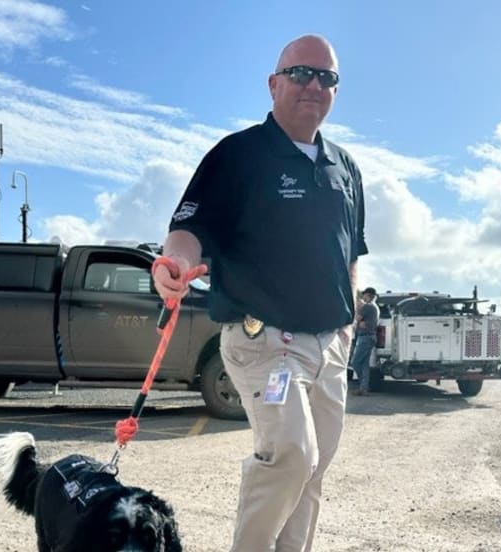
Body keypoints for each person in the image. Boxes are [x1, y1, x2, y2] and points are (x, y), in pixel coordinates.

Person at [153, 34, 368, 552]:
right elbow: (188, 229)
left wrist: (349, 321)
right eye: (301, 73)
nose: (314, 84)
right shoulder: (237, 155)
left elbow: (352, 252)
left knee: (312, 472)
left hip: (329, 347)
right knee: (291, 455)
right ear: (274, 84)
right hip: (265, 341)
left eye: (327, 77)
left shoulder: (346, 168)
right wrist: (175, 263)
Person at [350, 287, 380, 396]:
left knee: (355, 362)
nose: (363, 297)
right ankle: (364, 388)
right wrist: (361, 321)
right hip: (370, 337)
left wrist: (359, 318)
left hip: (365, 337)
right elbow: (360, 320)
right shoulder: (375, 307)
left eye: (364, 295)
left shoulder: (368, 306)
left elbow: (356, 318)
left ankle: (363, 386)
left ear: (368, 295)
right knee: (364, 365)